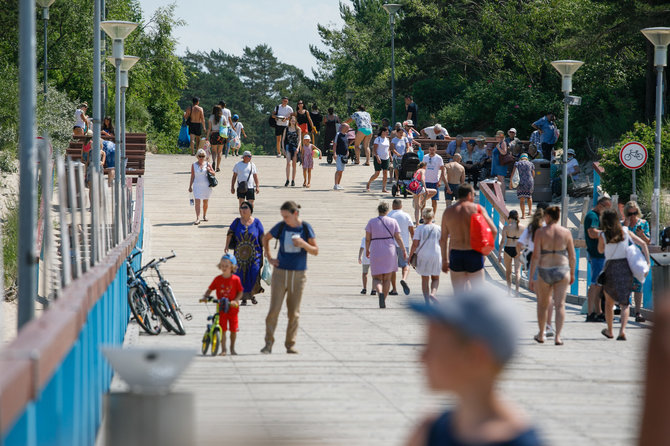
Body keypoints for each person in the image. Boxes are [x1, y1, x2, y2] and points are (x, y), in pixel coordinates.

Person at [406, 286, 542, 446]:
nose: (421, 358)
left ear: (475, 356)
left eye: (432, 347)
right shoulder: (429, 430)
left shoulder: (431, 432)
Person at [261, 201, 318, 354]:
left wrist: (303, 244)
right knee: (274, 310)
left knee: (294, 312)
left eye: (286, 216)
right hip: (280, 273)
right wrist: (269, 257)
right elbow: (265, 238)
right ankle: (268, 343)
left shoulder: (305, 228)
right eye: (283, 216)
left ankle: (290, 344)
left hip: (298, 275)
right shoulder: (281, 226)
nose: (284, 219)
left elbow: (315, 250)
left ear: (295, 214)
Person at [598, 209, 650, 341]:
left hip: (610, 268)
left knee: (609, 303)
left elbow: (600, 250)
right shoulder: (625, 231)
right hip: (625, 268)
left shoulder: (603, 235)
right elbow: (643, 243)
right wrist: (647, 263)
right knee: (625, 303)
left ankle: (610, 331)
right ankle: (622, 331)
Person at [529, 206, 576, 345]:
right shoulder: (566, 232)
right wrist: (572, 273)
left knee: (543, 304)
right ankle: (558, 337)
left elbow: (536, 256)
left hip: (545, 268)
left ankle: (542, 334)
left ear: (548, 217)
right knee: (560, 305)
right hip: (562, 269)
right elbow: (572, 256)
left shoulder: (540, 232)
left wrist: (532, 277)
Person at [441, 184, 497, 292]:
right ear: (469, 194)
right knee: (477, 295)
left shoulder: (448, 212)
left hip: (456, 254)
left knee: (458, 296)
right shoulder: (477, 209)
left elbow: (443, 239)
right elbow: (494, 231)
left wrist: (444, 260)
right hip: (474, 252)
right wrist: (486, 251)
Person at [517, 204, 555, 338]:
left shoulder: (531, 228)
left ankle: (542, 330)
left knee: (540, 299)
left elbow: (519, 244)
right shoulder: (550, 227)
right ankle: (549, 326)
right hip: (551, 262)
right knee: (549, 297)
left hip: (536, 262)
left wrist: (522, 255)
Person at [365, 202, 408, 309]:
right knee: (387, 278)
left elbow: (367, 238)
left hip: (375, 248)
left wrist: (367, 250)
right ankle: (383, 298)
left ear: (378, 210)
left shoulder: (371, 222)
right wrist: (403, 249)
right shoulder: (393, 221)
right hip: (389, 249)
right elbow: (398, 237)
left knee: (376, 277)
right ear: (387, 211)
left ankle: (379, 291)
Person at [201, 254, 244, 356]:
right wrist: (205, 297)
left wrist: (236, 301)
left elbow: (240, 292)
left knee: (233, 330)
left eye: (226, 266)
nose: (224, 268)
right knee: (222, 329)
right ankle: (223, 349)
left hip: (233, 308)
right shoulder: (218, 279)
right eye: (222, 266)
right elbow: (210, 289)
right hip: (221, 307)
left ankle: (232, 348)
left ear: (232, 267)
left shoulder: (235, 279)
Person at [225, 201, 264, 306]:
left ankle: (251, 294)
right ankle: (244, 298)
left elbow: (262, 236)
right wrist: (226, 246)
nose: (242, 210)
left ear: (250, 210)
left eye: (245, 207)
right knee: (240, 275)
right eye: (241, 208)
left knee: (253, 273)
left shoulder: (257, 222)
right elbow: (230, 233)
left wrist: (267, 248)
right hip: (240, 255)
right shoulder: (237, 222)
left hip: (255, 254)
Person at [584, 196, 611, 322]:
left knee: (599, 285)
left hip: (601, 255)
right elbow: (591, 232)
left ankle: (598, 311)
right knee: (595, 284)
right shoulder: (592, 217)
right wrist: (606, 233)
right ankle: (591, 313)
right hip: (596, 255)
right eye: (607, 208)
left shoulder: (597, 217)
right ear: (600, 206)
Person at [623, 201, 650, 322]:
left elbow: (647, 242)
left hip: (638, 259)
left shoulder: (643, 223)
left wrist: (642, 235)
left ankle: (638, 312)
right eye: (630, 213)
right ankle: (625, 310)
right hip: (625, 259)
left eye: (634, 213)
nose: (633, 215)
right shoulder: (623, 225)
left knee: (639, 287)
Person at [409, 208, 442, 304]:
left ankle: (427, 301)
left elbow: (415, 244)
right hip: (436, 254)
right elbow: (442, 243)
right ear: (433, 216)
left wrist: (410, 256)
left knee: (425, 278)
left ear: (423, 217)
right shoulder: (438, 228)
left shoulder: (419, 228)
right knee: (435, 278)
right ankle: (433, 294)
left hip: (423, 255)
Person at [388, 199, 414, 296]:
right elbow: (411, 230)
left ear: (392, 205)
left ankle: (394, 289)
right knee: (406, 264)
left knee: (392, 267)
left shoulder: (389, 215)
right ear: (401, 206)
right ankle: (403, 279)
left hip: (391, 244)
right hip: (404, 244)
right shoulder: (406, 215)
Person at [498, 210, 524, 295]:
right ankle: (517, 291)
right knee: (517, 272)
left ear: (510, 217)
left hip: (508, 249)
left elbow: (502, 241)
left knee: (508, 271)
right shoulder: (523, 227)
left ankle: (509, 291)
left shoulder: (506, 227)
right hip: (518, 249)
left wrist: (499, 254)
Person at [188, 148, 215, 225]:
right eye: (200, 156)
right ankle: (197, 218)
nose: (201, 158)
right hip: (197, 185)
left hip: (206, 186)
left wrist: (209, 170)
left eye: (203, 156)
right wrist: (190, 186)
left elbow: (214, 173)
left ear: (205, 156)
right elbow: (192, 176)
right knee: (197, 202)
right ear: (197, 156)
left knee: (205, 202)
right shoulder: (193, 165)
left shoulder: (207, 164)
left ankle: (204, 215)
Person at [366, 127, 391, 193]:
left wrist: (390, 157)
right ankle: (369, 183)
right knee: (377, 173)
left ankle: (384, 188)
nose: (387, 133)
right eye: (386, 131)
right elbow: (374, 150)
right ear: (382, 132)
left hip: (386, 158)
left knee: (385, 173)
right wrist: (377, 157)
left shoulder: (387, 139)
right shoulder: (378, 139)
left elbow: (388, 149)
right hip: (378, 157)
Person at [423, 143, 445, 217]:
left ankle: (433, 216)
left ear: (435, 149)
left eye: (433, 150)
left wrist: (440, 180)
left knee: (434, 200)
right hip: (426, 181)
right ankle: (422, 216)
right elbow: (422, 168)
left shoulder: (439, 158)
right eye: (430, 150)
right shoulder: (425, 157)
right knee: (423, 200)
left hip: (434, 181)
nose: (431, 151)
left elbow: (442, 169)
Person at [510, 153, 535, 218]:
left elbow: (513, 173)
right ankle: (529, 212)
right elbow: (533, 174)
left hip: (520, 182)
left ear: (520, 157)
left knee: (522, 199)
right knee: (529, 197)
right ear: (527, 158)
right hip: (529, 182)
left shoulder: (517, 164)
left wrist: (511, 183)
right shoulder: (531, 164)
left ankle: (523, 215)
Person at [282, 115, 302, 187]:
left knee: (294, 164)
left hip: (295, 147)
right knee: (288, 163)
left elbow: (300, 140)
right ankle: (287, 179)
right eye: (291, 120)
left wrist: (298, 148)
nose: (293, 121)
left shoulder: (298, 129)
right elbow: (283, 139)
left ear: (295, 121)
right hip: (288, 146)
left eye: (294, 120)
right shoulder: (286, 129)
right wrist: (283, 148)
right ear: (289, 121)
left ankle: (293, 180)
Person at [491, 130, 509, 196]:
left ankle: (503, 196)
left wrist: (498, 148)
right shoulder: (499, 143)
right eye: (497, 136)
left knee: (501, 180)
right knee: (499, 179)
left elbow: (504, 152)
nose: (498, 138)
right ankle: (500, 196)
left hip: (500, 164)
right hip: (497, 164)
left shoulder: (503, 143)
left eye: (499, 137)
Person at [207, 105, 225, 171]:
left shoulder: (211, 117)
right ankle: (218, 167)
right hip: (221, 135)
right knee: (220, 151)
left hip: (213, 134)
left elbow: (209, 128)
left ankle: (214, 161)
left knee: (214, 151)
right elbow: (225, 127)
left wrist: (207, 137)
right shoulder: (223, 117)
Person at [333, 122, 349, 190]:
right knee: (339, 170)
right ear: (343, 127)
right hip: (339, 155)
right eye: (347, 127)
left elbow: (346, 144)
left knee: (341, 170)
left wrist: (347, 151)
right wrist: (334, 153)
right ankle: (336, 184)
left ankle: (338, 184)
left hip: (344, 156)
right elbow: (335, 144)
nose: (348, 129)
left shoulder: (346, 135)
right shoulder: (338, 134)